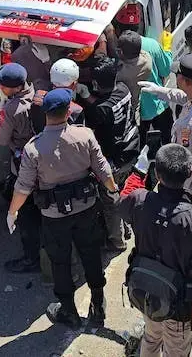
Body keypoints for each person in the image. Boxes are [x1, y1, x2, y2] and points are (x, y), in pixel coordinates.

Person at [7, 88, 118, 328]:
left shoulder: (33, 148)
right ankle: (98, 305)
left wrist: (12, 212)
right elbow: (103, 171)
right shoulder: (85, 135)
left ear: (45, 113)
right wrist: (112, 190)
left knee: (60, 262)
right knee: (91, 254)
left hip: (54, 216)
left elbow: (23, 187)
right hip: (87, 209)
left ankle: (68, 310)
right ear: (69, 111)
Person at [120, 143, 192, 355]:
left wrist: (139, 172)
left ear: (157, 174)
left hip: (148, 295)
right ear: (190, 173)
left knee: (151, 337)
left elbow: (125, 197)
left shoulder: (140, 201)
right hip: (181, 310)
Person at [137, 53, 192, 212]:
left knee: (191, 222)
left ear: (185, 82)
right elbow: (185, 97)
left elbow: (186, 166)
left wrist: (174, 197)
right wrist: (159, 91)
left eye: (178, 75)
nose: (175, 77)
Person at [80, 58, 140, 251]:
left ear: (96, 84)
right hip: (131, 149)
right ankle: (127, 226)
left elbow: (100, 109)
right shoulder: (123, 89)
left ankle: (117, 240)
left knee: (110, 200)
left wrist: (85, 95)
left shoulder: (100, 110)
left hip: (113, 160)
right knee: (122, 191)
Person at [0, 62, 42, 272]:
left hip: (23, 160)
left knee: (26, 213)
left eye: (2, 85)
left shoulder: (12, 108)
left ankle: (31, 258)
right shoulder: (40, 92)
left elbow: (1, 139)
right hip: (43, 156)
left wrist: (1, 110)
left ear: (13, 88)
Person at [117, 30, 173, 153]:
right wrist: (167, 49)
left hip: (136, 116)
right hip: (158, 105)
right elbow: (165, 71)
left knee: (142, 150)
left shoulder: (120, 67)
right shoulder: (150, 49)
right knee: (166, 147)